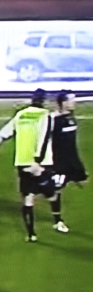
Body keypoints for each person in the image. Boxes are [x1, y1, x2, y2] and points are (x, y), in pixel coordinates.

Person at [0, 89, 58, 242]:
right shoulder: (46, 116)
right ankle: (58, 221)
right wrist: (38, 160)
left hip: (22, 161)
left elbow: (5, 131)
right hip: (41, 163)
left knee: (28, 197)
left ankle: (31, 234)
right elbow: (44, 138)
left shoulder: (21, 114)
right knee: (52, 193)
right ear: (44, 101)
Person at [49, 90, 88, 233]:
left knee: (85, 183)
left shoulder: (71, 118)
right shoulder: (53, 121)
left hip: (73, 162)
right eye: (72, 100)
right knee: (55, 191)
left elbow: (71, 145)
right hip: (58, 163)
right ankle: (57, 221)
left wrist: (78, 166)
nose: (74, 102)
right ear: (63, 102)